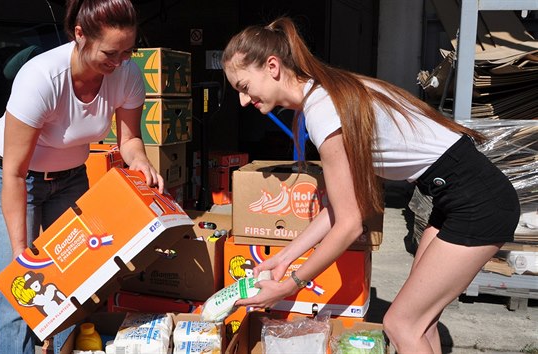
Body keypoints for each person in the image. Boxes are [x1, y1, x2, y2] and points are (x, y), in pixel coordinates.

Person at [223, 17, 520, 353]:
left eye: (244, 87)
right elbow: (345, 206)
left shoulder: (325, 111)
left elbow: (349, 224)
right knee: (422, 321)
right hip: (453, 192)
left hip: (476, 199)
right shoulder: (329, 93)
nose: (244, 101)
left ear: (272, 66)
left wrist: (290, 284)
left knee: (400, 324)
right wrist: (284, 258)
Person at [0, 0, 162, 353]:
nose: (120, 62)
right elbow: (15, 174)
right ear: (80, 34)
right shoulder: (42, 78)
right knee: (21, 293)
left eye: (128, 52)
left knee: (75, 285)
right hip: (15, 178)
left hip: (70, 177)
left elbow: (130, 139)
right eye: (111, 52)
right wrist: (22, 256)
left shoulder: (127, 74)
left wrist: (140, 162)